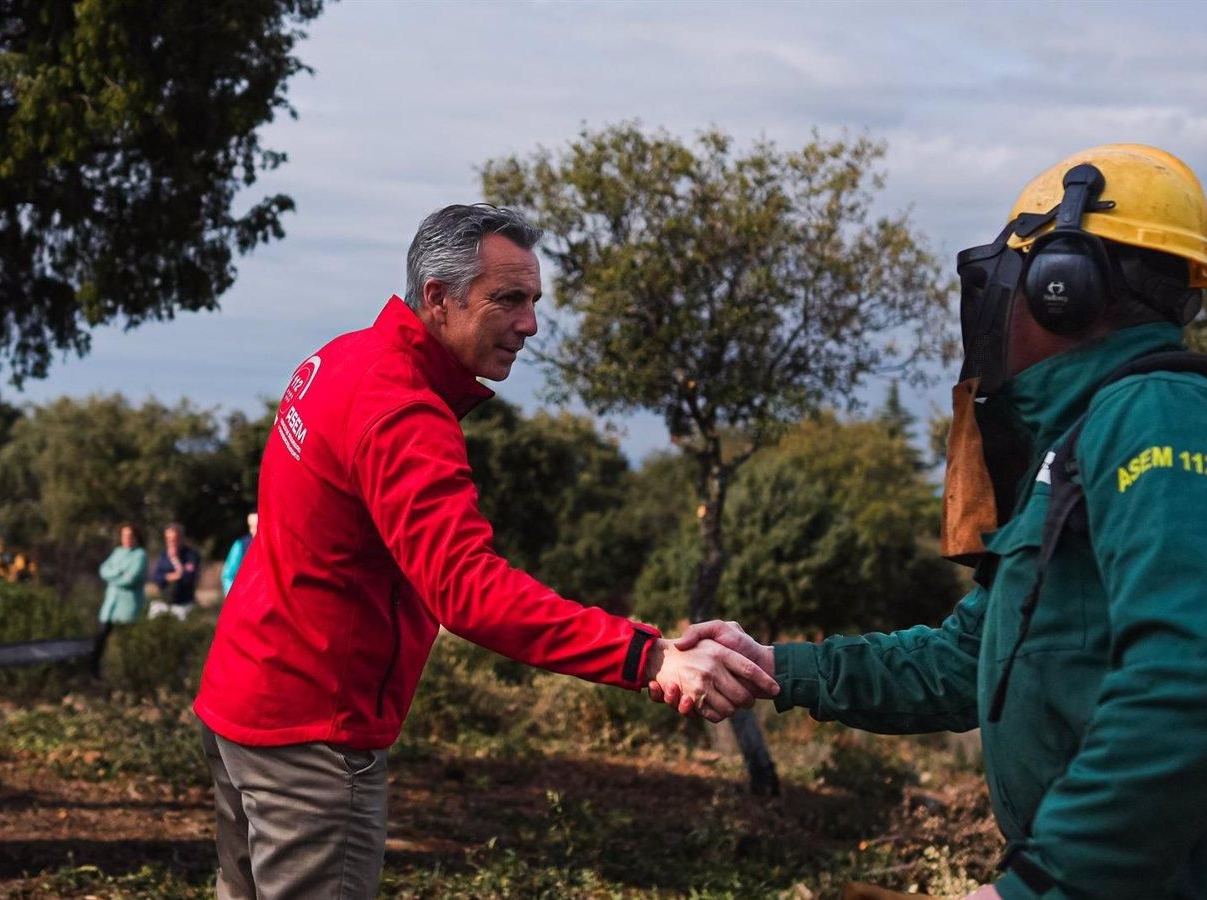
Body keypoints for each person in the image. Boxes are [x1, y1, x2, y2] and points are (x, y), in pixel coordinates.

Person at [665, 146, 1207, 898]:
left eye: (1007, 280)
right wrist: (778, 669)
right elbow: (964, 661)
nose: (996, 306)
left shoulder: (1165, 417)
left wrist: (1044, 884)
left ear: (1062, 286)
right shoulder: (1084, 446)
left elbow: (1203, 675)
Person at [193, 203, 773, 900]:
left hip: (244, 700)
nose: (529, 324)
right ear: (438, 298)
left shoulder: (340, 358)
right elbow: (468, 591)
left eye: (533, 302)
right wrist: (647, 655)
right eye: (509, 299)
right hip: (313, 733)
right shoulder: (403, 411)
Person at [92, 524, 148, 676]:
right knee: (100, 639)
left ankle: (129, 674)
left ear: (136, 538)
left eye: (130, 536)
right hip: (110, 606)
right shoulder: (117, 552)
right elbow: (103, 570)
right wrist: (119, 572)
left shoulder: (140, 555)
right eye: (124, 536)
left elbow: (130, 579)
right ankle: (95, 672)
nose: (127, 539)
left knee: (127, 642)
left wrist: (112, 577)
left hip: (128, 608)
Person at [149, 522, 200, 620]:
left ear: (181, 538)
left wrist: (175, 560)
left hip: (184, 605)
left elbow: (189, 577)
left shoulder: (191, 555)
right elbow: (156, 577)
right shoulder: (163, 554)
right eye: (168, 539)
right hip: (164, 602)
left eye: (174, 539)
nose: (171, 542)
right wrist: (169, 576)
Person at [219, 513, 256, 598]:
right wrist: (235, 597)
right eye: (251, 526)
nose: (253, 530)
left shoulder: (274, 543)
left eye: (257, 526)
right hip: (246, 598)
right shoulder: (241, 544)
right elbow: (227, 575)